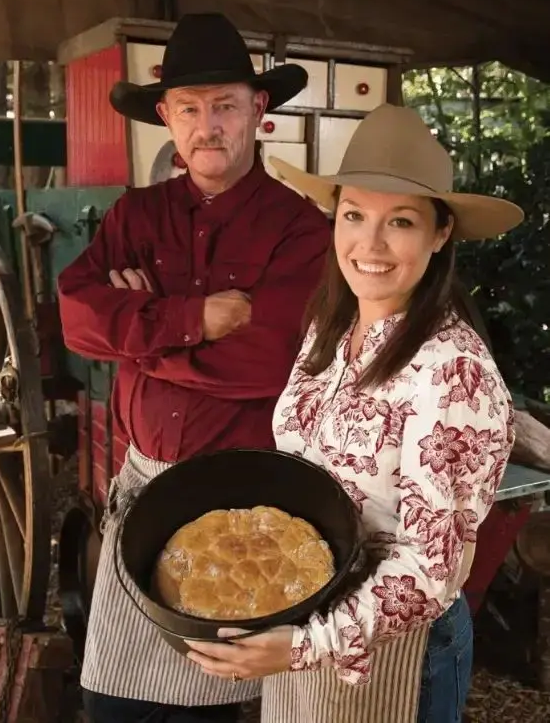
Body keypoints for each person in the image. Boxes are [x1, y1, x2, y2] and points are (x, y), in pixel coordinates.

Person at [183, 103, 523, 723]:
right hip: (308, 621)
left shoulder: (453, 372)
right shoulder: (330, 330)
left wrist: (305, 644)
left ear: (440, 233)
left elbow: (432, 567)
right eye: (354, 215)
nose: (369, 243)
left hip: (393, 650)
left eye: (399, 222)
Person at [57, 12, 331, 723]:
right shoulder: (134, 216)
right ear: (166, 118)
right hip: (141, 480)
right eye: (190, 109)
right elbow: (75, 320)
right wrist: (192, 319)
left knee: (208, 707)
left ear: (257, 111)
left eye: (224, 106)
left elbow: (266, 362)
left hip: (237, 502)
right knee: (108, 700)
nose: (207, 125)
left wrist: (138, 336)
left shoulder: (300, 229)